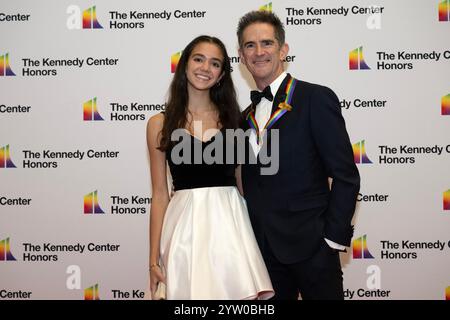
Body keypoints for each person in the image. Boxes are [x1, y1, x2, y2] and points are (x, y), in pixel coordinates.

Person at [236, 11, 360, 300]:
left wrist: (331, 239)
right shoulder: (244, 117)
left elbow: (345, 176)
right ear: (241, 55)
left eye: (266, 43)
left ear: (283, 50)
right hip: (264, 255)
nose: (259, 52)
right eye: (250, 45)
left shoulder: (315, 98)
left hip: (313, 249)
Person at [146, 35, 274, 300]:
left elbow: (243, 183)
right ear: (184, 64)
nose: (205, 68)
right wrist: (153, 260)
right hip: (184, 229)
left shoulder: (236, 121)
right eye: (198, 59)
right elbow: (159, 193)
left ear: (221, 75)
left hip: (231, 226)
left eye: (215, 63)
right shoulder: (159, 123)